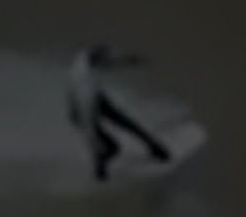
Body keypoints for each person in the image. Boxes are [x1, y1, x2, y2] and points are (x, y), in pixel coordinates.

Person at [67, 44, 172, 181]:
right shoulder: (85, 89)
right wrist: (98, 167)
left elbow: (108, 63)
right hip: (82, 111)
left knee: (128, 123)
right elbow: (89, 131)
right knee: (113, 147)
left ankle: (156, 149)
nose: (105, 63)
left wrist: (131, 60)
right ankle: (102, 162)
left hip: (97, 99)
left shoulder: (84, 57)